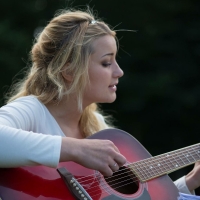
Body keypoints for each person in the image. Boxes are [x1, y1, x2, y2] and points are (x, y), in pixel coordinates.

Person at [0, 7, 199, 197]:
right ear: (69, 71)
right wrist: (76, 149)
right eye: (106, 62)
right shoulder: (32, 110)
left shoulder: (98, 127)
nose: (119, 72)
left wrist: (188, 182)